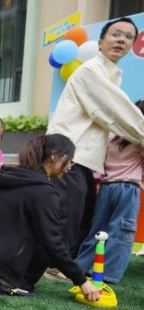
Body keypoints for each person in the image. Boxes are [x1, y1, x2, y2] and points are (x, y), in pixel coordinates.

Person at [47, 17, 144, 266]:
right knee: (69, 214)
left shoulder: (111, 75)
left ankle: (66, 264)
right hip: (68, 154)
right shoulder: (91, 71)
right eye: (115, 34)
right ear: (100, 42)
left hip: (83, 158)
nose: (121, 40)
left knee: (85, 214)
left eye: (128, 37)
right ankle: (54, 265)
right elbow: (119, 113)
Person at [0, 134, 99, 301]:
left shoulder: (17, 175)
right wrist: (82, 280)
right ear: (54, 156)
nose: (70, 167)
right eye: (69, 161)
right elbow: (53, 242)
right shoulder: (44, 192)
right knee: (47, 241)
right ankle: (17, 283)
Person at [75, 99, 144, 284]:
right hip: (128, 188)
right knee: (121, 232)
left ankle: (81, 267)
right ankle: (108, 274)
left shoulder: (112, 135)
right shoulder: (140, 138)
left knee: (98, 229)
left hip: (106, 187)